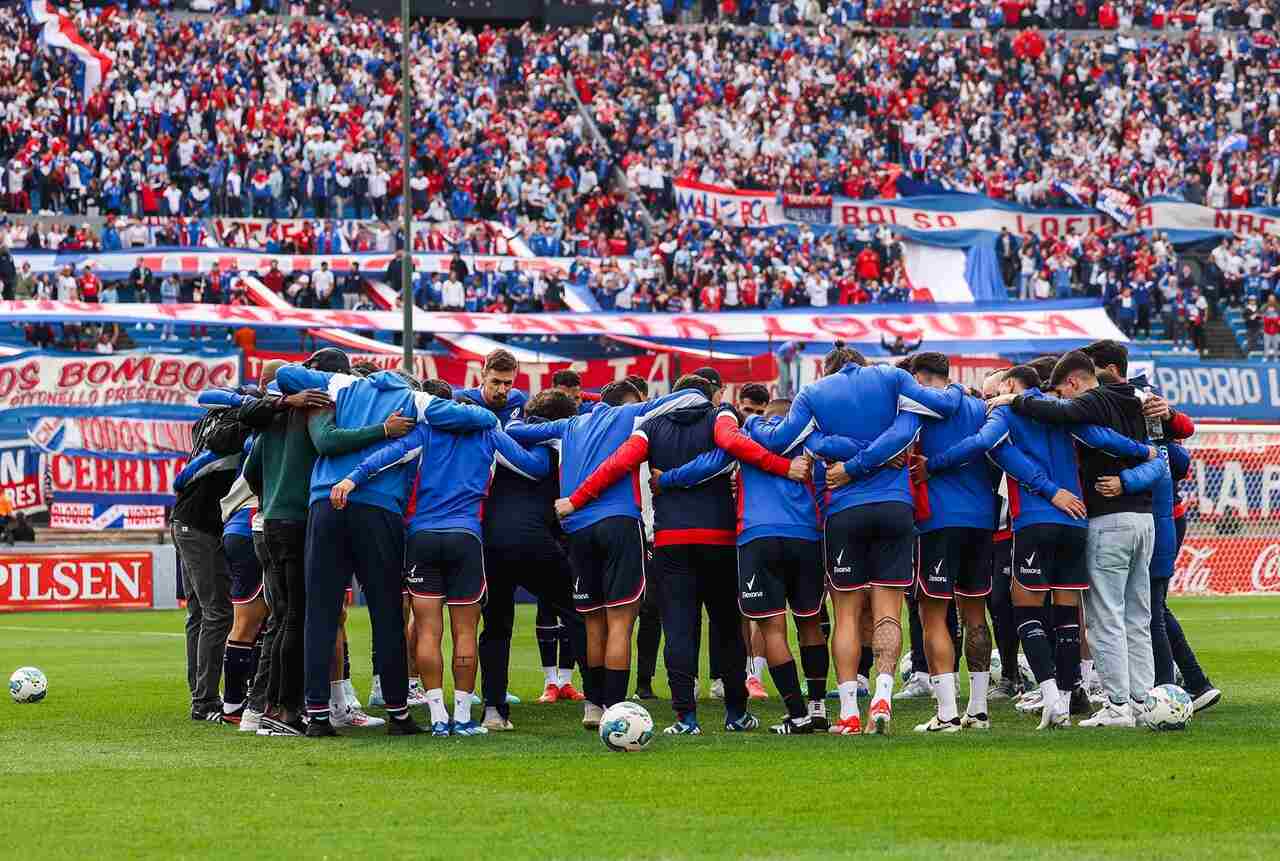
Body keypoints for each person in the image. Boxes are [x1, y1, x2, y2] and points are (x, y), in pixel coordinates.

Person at [563, 374, 806, 735]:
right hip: (719, 538)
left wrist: (575, 499)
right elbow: (730, 447)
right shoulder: (721, 415)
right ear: (709, 396)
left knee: (678, 628)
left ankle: (685, 718)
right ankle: (736, 714)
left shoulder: (652, 425)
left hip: (671, 540)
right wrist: (784, 466)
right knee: (726, 628)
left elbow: (617, 462)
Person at [274, 353, 498, 737]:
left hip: (326, 503)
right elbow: (478, 418)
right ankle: (398, 713)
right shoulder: (416, 401)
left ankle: (317, 716)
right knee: (387, 613)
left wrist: (304, 393)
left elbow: (284, 371)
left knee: (321, 613)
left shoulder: (339, 385)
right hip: (378, 508)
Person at [745, 344, 964, 734]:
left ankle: (848, 711)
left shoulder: (814, 393)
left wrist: (835, 452)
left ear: (828, 370)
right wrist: (878, 454)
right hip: (895, 506)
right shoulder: (892, 377)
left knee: (846, 613)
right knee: (887, 611)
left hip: (844, 510)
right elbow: (939, 410)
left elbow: (783, 443)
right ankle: (881, 694)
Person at [923, 362, 1155, 727]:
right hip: (1076, 522)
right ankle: (1068, 693)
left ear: (1011, 385)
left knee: (1025, 610)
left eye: (993, 393)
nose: (989, 401)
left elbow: (982, 443)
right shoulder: (1060, 411)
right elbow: (1100, 437)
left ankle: (1051, 699)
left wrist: (933, 464)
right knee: (1067, 617)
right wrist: (1144, 452)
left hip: (1036, 520)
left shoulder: (1006, 412)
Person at [329, 380, 549, 737]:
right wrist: (544, 439)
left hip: (422, 538)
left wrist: (351, 480)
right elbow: (532, 467)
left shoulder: (425, 433)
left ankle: (436, 717)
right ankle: (462, 717)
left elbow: (384, 457)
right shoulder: (488, 432)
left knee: (427, 630)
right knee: (465, 631)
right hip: (465, 538)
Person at [505, 379, 712, 726]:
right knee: (620, 623)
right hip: (619, 524)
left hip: (578, 531)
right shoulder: (632, 415)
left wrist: (575, 400)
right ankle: (615, 711)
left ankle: (593, 705)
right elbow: (693, 396)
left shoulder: (567, 425)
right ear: (628, 401)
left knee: (592, 622)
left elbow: (514, 429)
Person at [990, 351, 1157, 728]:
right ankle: (1142, 701)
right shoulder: (1136, 399)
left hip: (1100, 519)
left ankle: (1114, 705)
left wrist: (1011, 400)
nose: (1062, 402)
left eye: (1062, 394)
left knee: (1104, 618)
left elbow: (1063, 418)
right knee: (1137, 616)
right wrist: (1139, 465)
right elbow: (1166, 458)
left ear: (1073, 384)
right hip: (1142, 520)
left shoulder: (1085, 404)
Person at [660, 396, 828, 734]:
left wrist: (666, 479)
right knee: (810, 624)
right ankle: (818, 708)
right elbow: (824, 484)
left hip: (757, 536)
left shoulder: (747, 435)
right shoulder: (812, 440)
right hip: (806, 536)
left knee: (772, 630)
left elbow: (711, 463)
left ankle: (797, 716)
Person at [476, 389, 587, 730]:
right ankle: (599, 702)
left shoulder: (508, 436)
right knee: (577, 613)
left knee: (496, 626)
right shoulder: (558, 443)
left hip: (491, 539)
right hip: (533, 538)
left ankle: (493, 711)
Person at [457, 349, 527, 425]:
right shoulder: (459, 401)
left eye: (507, 383)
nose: (501, 390)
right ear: (483, 376)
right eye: (496, 382)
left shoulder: (518, 400)